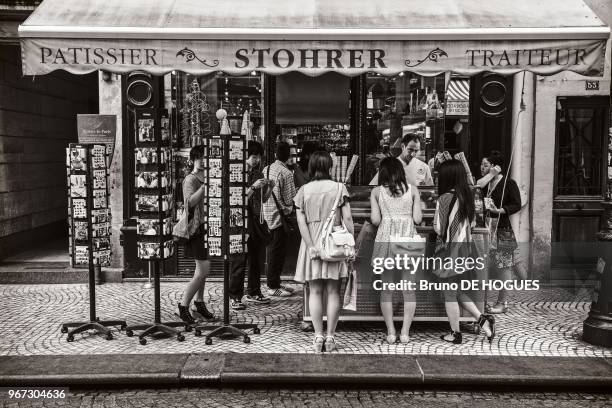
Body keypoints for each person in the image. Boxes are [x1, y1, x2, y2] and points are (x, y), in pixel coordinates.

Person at [294, 151, 354, 352]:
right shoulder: (339, 189)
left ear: (310, 167)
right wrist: (350, 244)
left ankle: (318, 336)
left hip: (312, 244)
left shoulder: (303, 191)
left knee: (315, 291)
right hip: (334, 244)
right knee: (333, 291)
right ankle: (330, 337)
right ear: (329, 167)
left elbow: (301, 222)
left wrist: (311, 245)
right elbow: (348, 220)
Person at [433, 160, 496, 344]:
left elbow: (438, 228)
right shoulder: (467, 196)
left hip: (448, 251)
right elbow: (474, 223)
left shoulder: (444, 198)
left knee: (449, 293)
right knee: (457, 291)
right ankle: (484, 321)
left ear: (447, 177)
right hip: (465, 251)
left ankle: (455, 334)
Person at [370, 157, 423, 344]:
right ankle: (405, 333)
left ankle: (391, 332)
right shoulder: (413, 191)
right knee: (409, 289)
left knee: (386, 289)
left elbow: (375, 220)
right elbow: (417, 219)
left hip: (386, 240)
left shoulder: (376, 192)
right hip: (407, 240)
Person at [228, 141, 273, 310]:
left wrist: (269, 188)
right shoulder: (237, 173)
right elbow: (237, 201)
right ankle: (234, 296)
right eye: (254, 157)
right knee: (239, 259)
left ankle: (253, 291)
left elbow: (262, 200)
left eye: (258, 157)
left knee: (256, 257)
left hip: (255, 221)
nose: (256, 160)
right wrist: (254, 187)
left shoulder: (257, 172)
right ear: (245, 156)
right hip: (240, 221)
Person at [177, 145, 217, 324]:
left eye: (205, 157)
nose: (202, 161)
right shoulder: (190, 179)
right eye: (199, 158)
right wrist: (205, 187)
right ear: (193, 160)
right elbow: (189, 203)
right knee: (203, 270)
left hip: (208, 227)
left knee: (202, 271)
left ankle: (199, 303)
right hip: (195, 229)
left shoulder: (205, 177)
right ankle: (183, 306)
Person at [480, 151, 522, 314]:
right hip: (486, 228)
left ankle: (502, 302)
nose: (482, 167)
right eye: (482, 165)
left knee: (504, 266)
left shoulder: (508, 183)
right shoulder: (485, 184)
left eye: (485, 164)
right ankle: (482, 300)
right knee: (486, 265)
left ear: (494, 166)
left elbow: (516, 204)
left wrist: (501, 210)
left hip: (502, 229)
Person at [262, 142, 297, 297]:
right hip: (280, 217)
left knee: (272, 251)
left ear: (276, 155)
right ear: (288, 156)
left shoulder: (266, 169)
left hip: (267, 215)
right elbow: (290, 199)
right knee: (277, 252)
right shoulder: (287, 173)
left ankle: (275, 282)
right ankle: (272, 285)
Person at [369, 134, 433, 187]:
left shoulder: (424, 167)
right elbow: (373, 186)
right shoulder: (389, 166)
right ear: (403, 146)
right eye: (410, 150)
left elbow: (430, 190)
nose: (413, 154)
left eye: (416, 151)